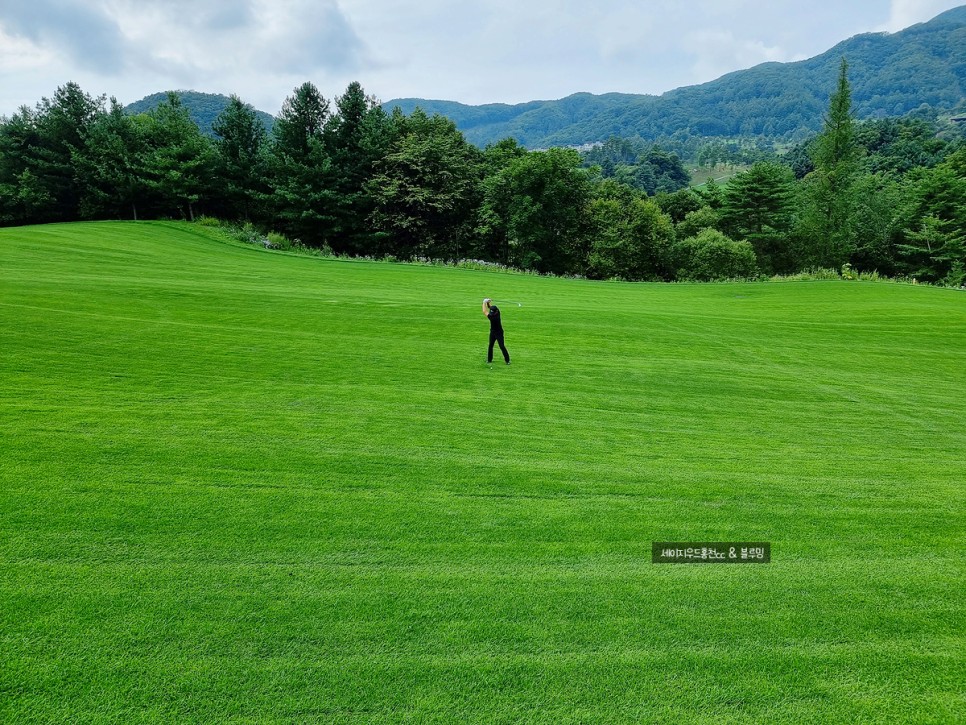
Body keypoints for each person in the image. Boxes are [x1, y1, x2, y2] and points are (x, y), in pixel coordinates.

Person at [482, 298, 510, 365]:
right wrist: (488, 302)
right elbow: (489, 307)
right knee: (490, 345)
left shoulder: (492, 317)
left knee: (502, 346)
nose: (491, 313)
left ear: (495, 311)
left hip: (499, 333)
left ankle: (507, 360)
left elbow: (484, 311)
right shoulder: (498, 312)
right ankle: (489, 360)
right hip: (492, 332)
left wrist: (484, 302)